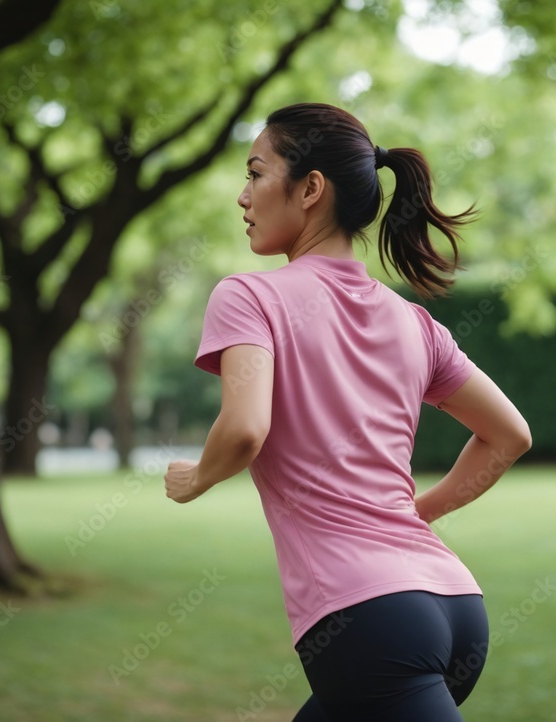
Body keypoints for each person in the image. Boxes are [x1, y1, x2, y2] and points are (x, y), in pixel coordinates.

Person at [164, 102, 531, 721]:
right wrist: (416, 514)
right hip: (454, 603)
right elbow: (509, 435)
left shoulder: (248, 296)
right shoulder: (415, 322)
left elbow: (246, 429)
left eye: (255, 173)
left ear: (311, 189)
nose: (243, 196)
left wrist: (197, 477)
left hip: (369, 620)